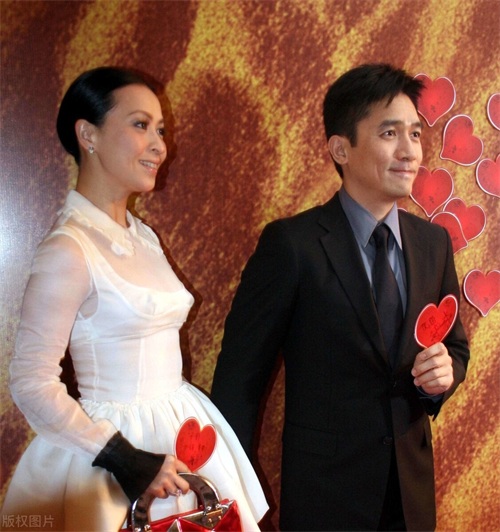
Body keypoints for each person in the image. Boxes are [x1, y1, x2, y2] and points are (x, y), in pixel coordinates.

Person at [1, 66, 268, 531]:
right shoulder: (69, 248)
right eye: (141, 125)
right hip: (112, 454)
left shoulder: (143, 236)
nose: (160, 145)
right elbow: (30, 380)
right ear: (88, 134)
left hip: (182, 432)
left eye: (160, 130)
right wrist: (124, 458)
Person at [211, 63, 470, 531]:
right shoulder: (292, 245)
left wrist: (441, 378)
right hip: (325, 497)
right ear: (340, 148)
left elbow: (455, 347)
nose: (409, 151)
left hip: (410, 497)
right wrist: (233, 494)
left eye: (415, 133)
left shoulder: (432, 244)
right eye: (389, 133)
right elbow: (238, 380)